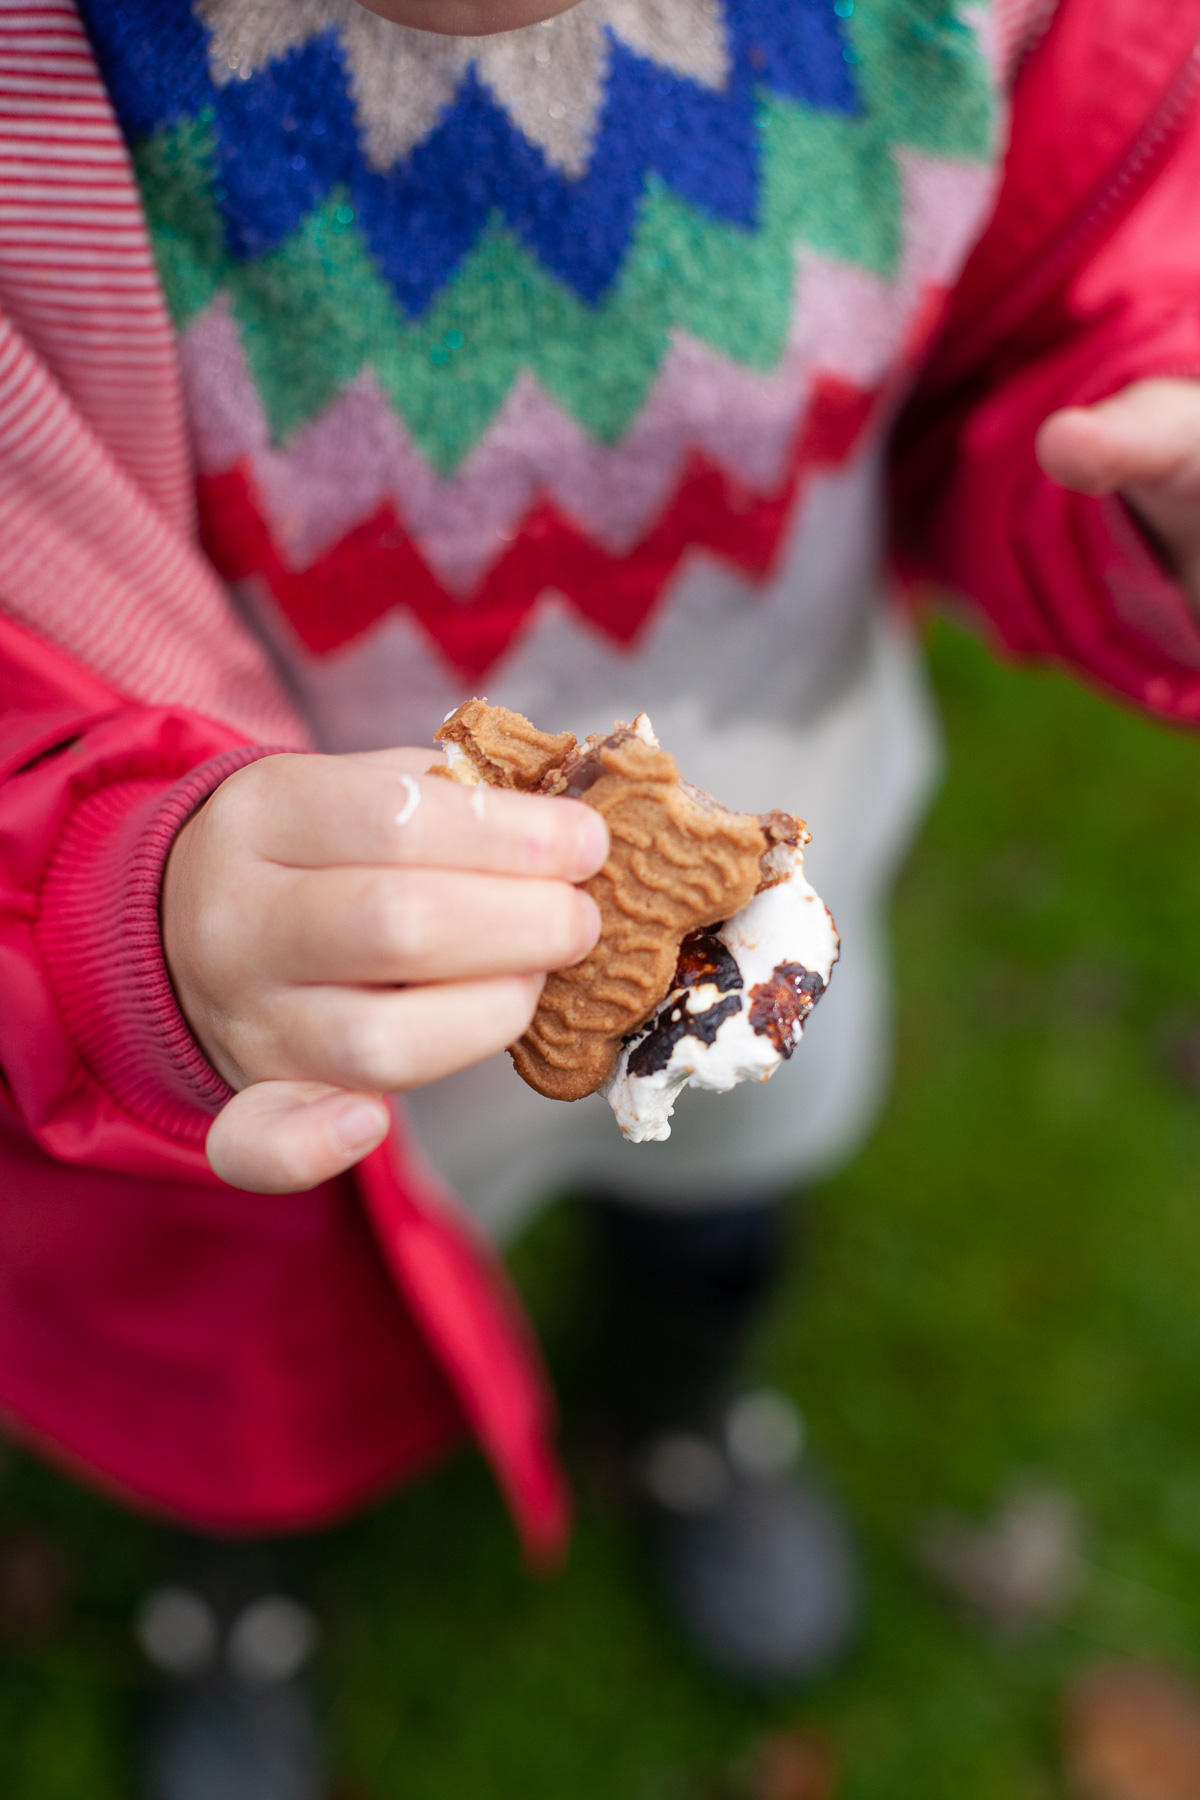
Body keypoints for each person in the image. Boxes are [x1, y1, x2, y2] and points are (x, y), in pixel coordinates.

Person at [2, 0, 1200, 1790]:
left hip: (769, 863)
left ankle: (681, 1407)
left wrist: (1150, 510)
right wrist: (110, 902)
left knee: (720, 1190)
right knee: (237, 1373)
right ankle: (237, 1583)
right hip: (241, 1029)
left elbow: (1045, 335)